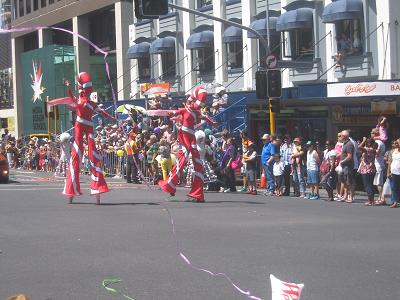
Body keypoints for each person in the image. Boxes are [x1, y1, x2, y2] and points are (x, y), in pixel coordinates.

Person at [49, 72, 117, 204]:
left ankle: (97, 190)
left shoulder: (91, 103)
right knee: (76, 155)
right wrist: (68, 86)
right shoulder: (78, 100)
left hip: (88, 127)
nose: (85, 92)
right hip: (79, 127)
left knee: (94, 155)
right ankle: (71, 191)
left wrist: (112, 117)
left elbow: (102, 112)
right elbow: (70, 97)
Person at [159, 85, 217, 202]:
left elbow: (204, 115)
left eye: (192, 102)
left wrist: (212, 122)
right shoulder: (184, 110)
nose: (191, 103)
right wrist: (169, 114)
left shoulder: (195, 112)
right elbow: (174, 113)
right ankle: (171, 185)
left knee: (198, 167)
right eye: (190, 102)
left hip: (191, 141)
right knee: (181, 163)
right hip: (186, 140)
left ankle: (197, 193)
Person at [358, 137, 376, 206]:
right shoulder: (373, 149)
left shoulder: (368, 149)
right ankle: (372, 200)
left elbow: (359, 147)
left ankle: (370, 201)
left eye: (367, 142)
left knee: (367, 185)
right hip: (372, 168)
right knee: (371, 185)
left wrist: (363, 141)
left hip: (366, 169)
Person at [339, 130, 355, 203]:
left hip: (348, 166)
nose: (340, 137)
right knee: (344, 181)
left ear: (344, 136)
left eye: (341, 136)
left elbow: (349, 156)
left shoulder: (349, 144)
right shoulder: (344, 144)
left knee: (349, 182)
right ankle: (345, 196)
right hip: (343, 166)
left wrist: (342, 161)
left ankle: (351, 197)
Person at [371, 128, 386, 205]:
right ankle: (380, 197)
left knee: (379, 182)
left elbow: (377, 153)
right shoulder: (381, 142)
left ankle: (382, 198)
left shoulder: (377, 143)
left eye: (372, 133)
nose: (371, 134)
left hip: (378, 163)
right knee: (378, 182)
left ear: (375, 134)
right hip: (379, 162)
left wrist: (372, 151)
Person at [388, 139, 400, 208]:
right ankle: (395, 202)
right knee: (394, 187)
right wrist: (388, 171)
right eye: (395, 143)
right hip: (394, 171)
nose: (396, 144)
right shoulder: (393, 151)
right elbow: (390, 162)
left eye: (397, 143)